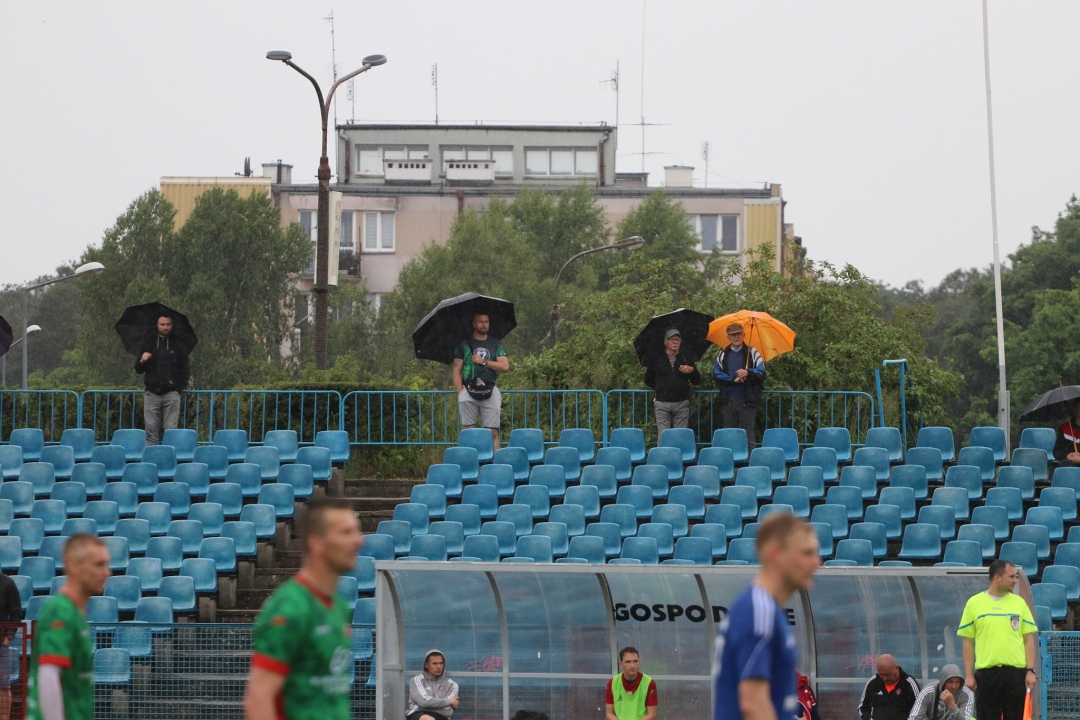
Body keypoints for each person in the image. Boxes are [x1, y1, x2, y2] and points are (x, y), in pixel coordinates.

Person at [244, 498, 365, 720]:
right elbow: (259, 698)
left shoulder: (339, 605)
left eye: (357, 531)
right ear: (317, 543)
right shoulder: (290, 606)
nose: (359, 540)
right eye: (346, 532)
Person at [713, 513, 820, 720]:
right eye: (807, 553)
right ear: (775, 554)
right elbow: (753, 704)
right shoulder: (758, 610)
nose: (817, 562)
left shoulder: (766, 609)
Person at [25, 534, 111, 720]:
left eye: (106, 564)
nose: (107, 572)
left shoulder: (76, 612)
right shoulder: (61, 610)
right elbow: (48, 675)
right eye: (98, 564)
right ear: (72, 565)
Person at [957, 559, 1037, 720]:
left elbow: (1028, 640)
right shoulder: (974, 603)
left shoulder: (1019, 603)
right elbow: (968, 642)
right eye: (1011, 577)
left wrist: (1030, 670)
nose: (1015, 580)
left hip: (1015, 674)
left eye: (1016, 577)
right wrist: (969, 674)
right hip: (987, 675)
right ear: (997, 577)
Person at [453, 312, 509, 450]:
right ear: (474, 324)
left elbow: (505, 366)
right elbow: (456, 369)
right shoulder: (464, 344)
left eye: (486, 322)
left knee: (492, 432)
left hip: (490, 390)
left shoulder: (495, 343)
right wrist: (461, 394)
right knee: (468, 432)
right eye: (480, 322)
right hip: (468, 390)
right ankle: (470, 464)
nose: (484, 324)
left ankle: (495, 466)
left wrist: (483, 361)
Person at [135, 313, 190, 446]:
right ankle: (151, 460)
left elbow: (185, 369)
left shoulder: (179, 344)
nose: (165, 327)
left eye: (168, 324)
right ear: (157, 325)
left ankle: (169, 460)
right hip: (151, 394)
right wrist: (142, 361)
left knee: (171, 432)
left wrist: (178, 389)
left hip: (172, 394)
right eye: (162, 324)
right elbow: (138, 369)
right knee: (150, 431)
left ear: (172, 325)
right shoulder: (149, 343)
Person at [713, 323, 766, 448]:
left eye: (739, 334)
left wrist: (748, 372)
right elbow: (716, 374)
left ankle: (749, 465)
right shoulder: (722, 354)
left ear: (744, 335)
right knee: (730, 436)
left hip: (747, 400)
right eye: (733, 335)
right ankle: (732, 465)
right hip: (728, 400)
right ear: (728, 337)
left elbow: (762, 373)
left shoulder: (753, 353)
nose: (736, 337)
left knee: (748, 436)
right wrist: (733, 379)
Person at [643, 328, 701, 433]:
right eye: (672, 339)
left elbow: (697, 381)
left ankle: (679, 450)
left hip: (681, 403)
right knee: (663, 435)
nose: (675, 342)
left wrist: (691, 370)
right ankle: (663, 451)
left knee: (680, 435)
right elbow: (648, 379)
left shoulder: (686, 357)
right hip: (662, 403)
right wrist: (661, 388)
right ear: (665, 342)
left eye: (678, 339)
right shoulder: (656, 358)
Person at [856, 654, 919, 720]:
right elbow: (862, 707)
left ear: (896, 668)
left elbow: (918, 711)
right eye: (881, 675)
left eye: (888, 675)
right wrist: (869, 718)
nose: (885, 678)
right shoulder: (873, 682)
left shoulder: (908, 683)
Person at [605, 646, 657, 720]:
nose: (632, 665)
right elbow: (609, 713)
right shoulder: (612, 683)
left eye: (635, 661)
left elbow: (651, 714)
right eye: (628, 662)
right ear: (621, 664)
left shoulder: (650, 683)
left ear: (639, 663)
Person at [906, 664, 974, 720]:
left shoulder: (967, 694)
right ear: (943, 681)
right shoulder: (928, 692)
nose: (954, 686)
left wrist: (952, 706)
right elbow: (913, 718)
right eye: (950, 682)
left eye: (957, 682)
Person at [407, 649, 460, 720]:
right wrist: (449, 701)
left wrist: (426, 705)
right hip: (419, 715)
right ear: (426, 665)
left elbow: (447, 711)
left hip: (442, 717)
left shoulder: (452, 685)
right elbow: (423, 701)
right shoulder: (417, 680)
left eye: (441, 663)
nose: (439, 666)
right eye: (435, 663)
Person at [0, 573, 24, 720]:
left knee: (3, 685)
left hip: (1, 643)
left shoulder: (7, 583)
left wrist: (8, 637)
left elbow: (16, 612)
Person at [1054, 399, 1080, 465]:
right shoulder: (1064, 428)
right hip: (1068, 468)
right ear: (1075, 409)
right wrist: (1067, 455)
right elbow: (1056, 452)